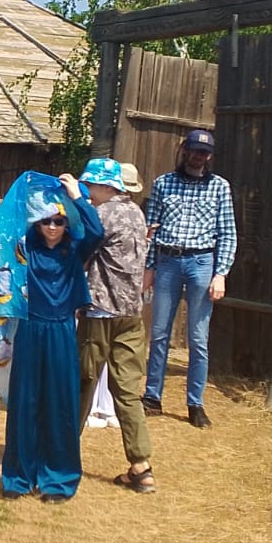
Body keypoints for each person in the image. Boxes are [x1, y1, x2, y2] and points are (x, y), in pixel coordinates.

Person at [3, 173, 103, 502]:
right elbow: (7, 224)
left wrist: (77, 196)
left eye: (59, 221)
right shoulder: (24, 249)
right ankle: (18, 478)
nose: (52, 227)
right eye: (45, 220)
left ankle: (58, 480)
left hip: (61, 329)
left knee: (60, 403)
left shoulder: (74, 250)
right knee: (25, 402)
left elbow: (97, 231)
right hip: (30, 329)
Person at [142, 128, 237, 426]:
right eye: (195, 150)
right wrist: (148, 268)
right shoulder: (163, 184)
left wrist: (220, 273)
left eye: (204, 152)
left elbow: (228, 234)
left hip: (201, 262)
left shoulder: (220, 187)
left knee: (198, 338)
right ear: (185, 151)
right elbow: (150, 228)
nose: (199, 156)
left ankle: (195, 404)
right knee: (158, 333)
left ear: (210, 156)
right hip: (168, 261)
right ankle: (152, 396)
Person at [77, 158, 155, 492]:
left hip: (100, 314)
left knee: (80, 383)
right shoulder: (137, 213)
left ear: (106, 187)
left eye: (90, 186)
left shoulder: (102, 214)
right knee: (127, 391)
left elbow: (78, 251)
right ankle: (141, 466)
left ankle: (60, 455)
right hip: (131, 315)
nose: (88, 192)